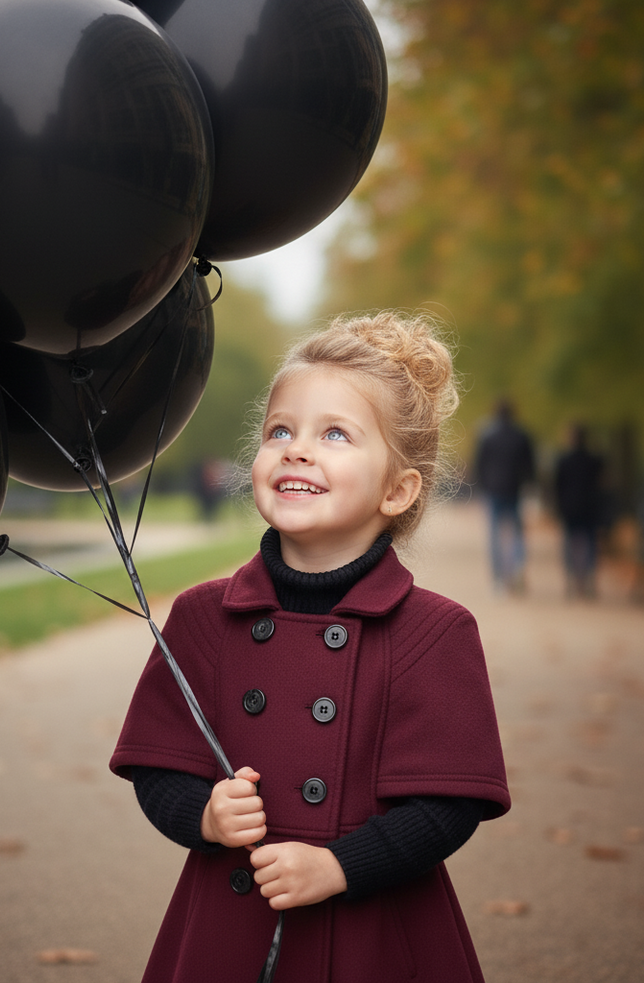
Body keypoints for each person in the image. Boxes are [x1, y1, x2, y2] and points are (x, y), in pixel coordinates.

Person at [110, 313, 510, 983]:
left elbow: (448, 805)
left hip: (374, 933)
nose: (296, 448)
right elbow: (158, 766)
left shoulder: (433, 631)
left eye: (335, 433)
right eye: (280, 430)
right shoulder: (206, 617)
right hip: (230, 926)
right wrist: (205, 814)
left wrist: (340, 865)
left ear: (397, 489)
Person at [474, 399, 535, 594]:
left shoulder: (487, 435)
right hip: (514, 490)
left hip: (493, 490)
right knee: (516, 534)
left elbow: (480, 463)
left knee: (494, 537)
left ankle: (498, 579)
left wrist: (481, 486)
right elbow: (529, 465)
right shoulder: (521, 435)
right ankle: (517, 566)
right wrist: (529, 486)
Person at [554, 423, 604, 599]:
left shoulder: (563, 460)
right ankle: (589, 579)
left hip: (570, 508)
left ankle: (570, 579)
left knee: (569, 544)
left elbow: (558, 486)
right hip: (589, 508)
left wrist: (558, 507)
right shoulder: (594, 460)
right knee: (590, 544)